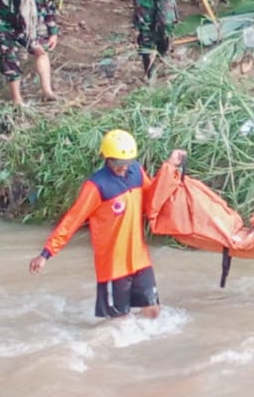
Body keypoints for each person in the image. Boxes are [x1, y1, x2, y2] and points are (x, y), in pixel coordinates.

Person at [29, 129, 187, 319]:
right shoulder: (96, 186)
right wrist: (46, 253)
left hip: (140, 259)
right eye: (117, 163)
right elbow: (72, 220)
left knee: (153, 311)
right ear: (106, 158)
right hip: (113, 266)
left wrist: (170, 166)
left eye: (126, 163)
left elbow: (153, 197)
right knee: (118, 322)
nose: (122, 168)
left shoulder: (136, 171)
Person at [0, 0, 73, 106]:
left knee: (43, 51)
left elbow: (49, 11)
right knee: (9, 59)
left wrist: (53, 33)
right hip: (2, 24)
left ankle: (47, 92)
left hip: (20, 26)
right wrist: (32, 43)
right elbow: (24, 20)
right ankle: (17, 101)